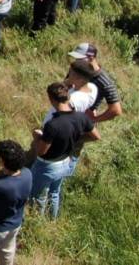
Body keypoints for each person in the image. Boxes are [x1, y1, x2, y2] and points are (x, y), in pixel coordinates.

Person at [30, 83, 99, 219]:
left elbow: (41, 152)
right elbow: (96, 136)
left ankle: (38, 225)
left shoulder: (53, 125)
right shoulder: (82, 117)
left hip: (47, 166)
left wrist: (37, 137)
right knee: (54, 193)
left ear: (51, 99)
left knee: (38, 197)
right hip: (65, 163)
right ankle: (52, 220)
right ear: (68, 96)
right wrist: (77, 138)